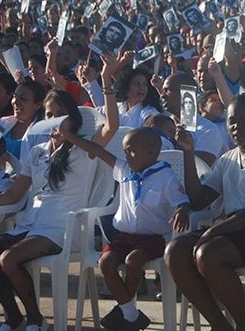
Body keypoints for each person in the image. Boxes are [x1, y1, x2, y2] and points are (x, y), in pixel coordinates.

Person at [0, 88, 118, 331]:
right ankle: (14, 318)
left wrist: (106, 82)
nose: (56, 121)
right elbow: (16, 194)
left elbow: (112, 125)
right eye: (50, 115)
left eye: (61, 114)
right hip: (32, 223)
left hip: (62, 227)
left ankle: (36, 320)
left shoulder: (84, 150)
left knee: (9, 259)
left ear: (72, 118)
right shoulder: (37, 152)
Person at [164, 94, 245, 331]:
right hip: (233, 228)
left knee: (208, 254)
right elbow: (199, 199)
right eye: (232, 121)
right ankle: (220, 325)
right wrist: (188, 154)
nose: (236, 127)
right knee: (175, 251)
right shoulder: (227, 159)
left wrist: (212, 231)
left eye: (244, 121)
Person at [56, 127, 191, 330]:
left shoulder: (166, 177)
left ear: (151, 152)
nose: (126, 156)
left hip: (150, 239)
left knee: (133, 261)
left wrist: (182, 209)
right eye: (125, 151)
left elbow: (182, 200)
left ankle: (125, 313)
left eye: (130, 151)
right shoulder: (124, 170)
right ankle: (131, 313)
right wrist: (69, 136)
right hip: (123, 237)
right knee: (106, 262)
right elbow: (98, 150)